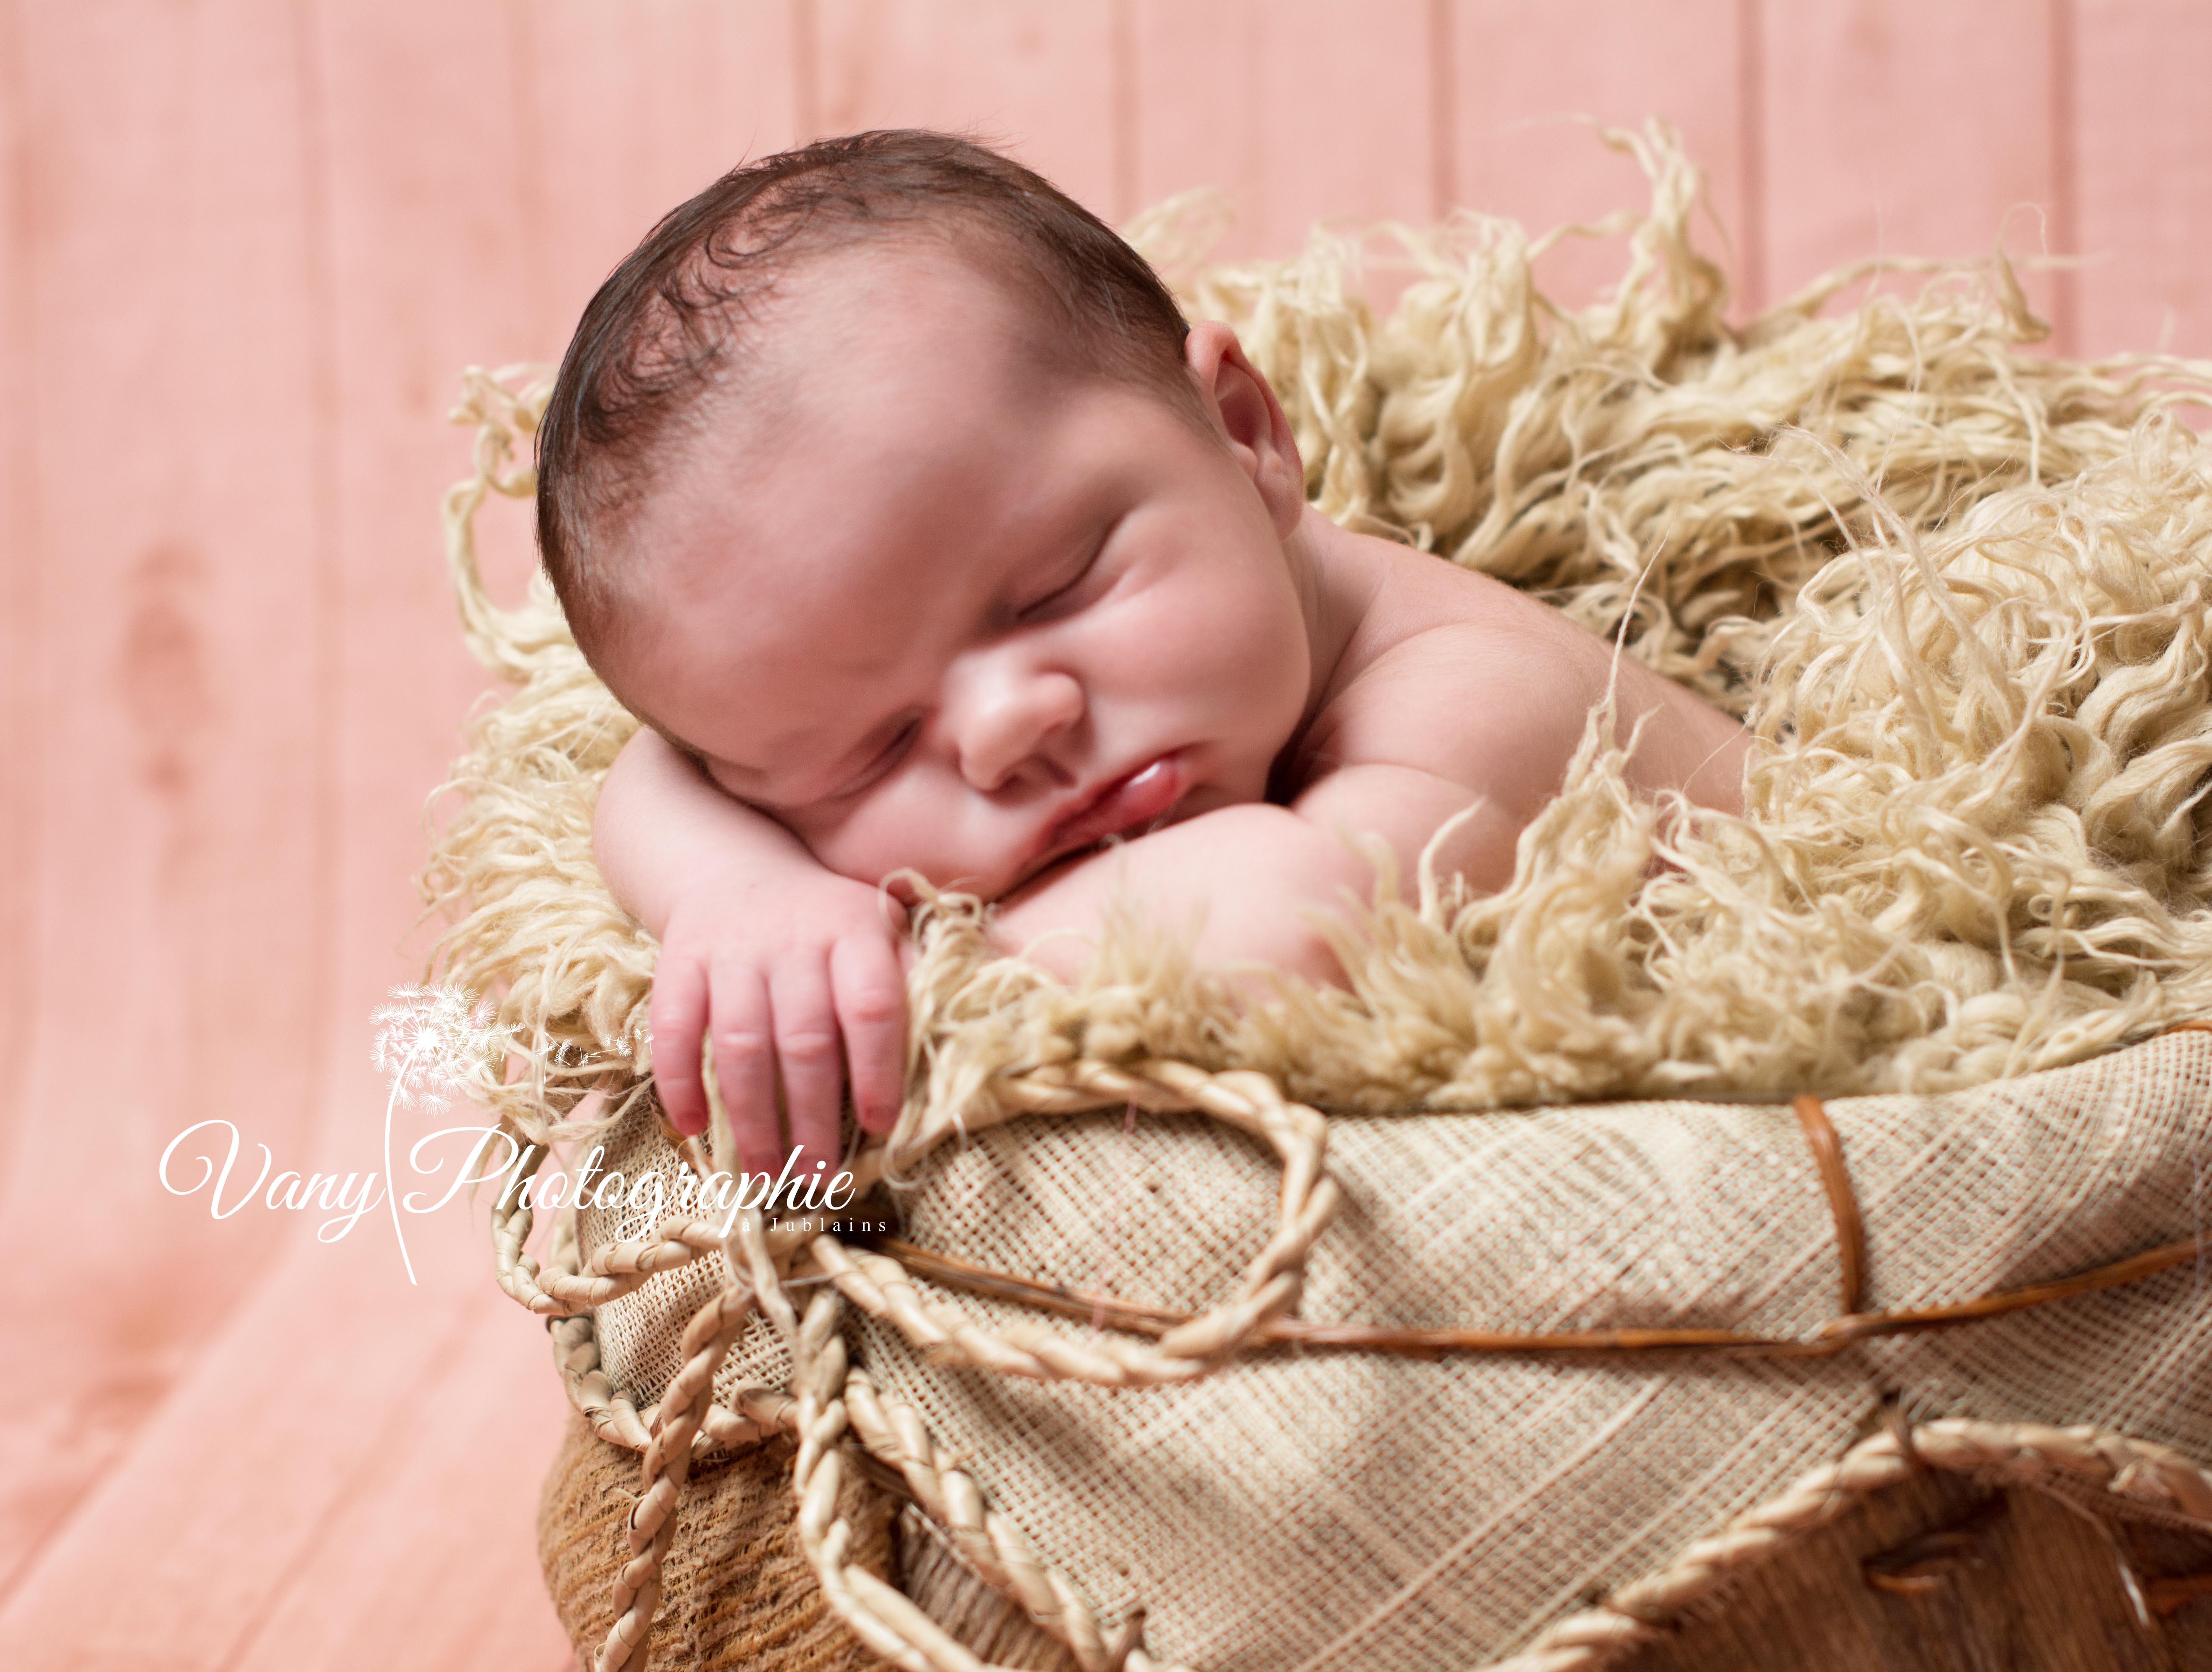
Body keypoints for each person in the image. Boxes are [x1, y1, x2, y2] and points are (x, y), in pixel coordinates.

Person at [538, 131, 1744, 1174]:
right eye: (873, 750)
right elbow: (661, 767)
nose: (1009, 727)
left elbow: (1287, 936)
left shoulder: (1478, 695)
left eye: (1056, 590)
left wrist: (908, 956)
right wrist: (744, 895)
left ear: (1243, 434)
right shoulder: (1185, 672)